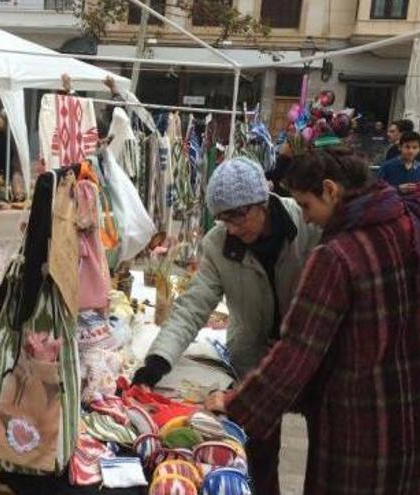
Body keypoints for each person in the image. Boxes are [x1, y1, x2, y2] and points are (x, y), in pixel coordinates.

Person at [208, 148, 420, 494]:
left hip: (364, 432)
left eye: (306, 205)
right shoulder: (414, 219)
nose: (306, 219)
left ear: (330, 190)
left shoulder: (337, 256)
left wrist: (236, 404)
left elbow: (296, 351)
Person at [132, 156, 321, 495]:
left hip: (308, 356)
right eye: (223, 218)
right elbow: (192, 306)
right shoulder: (218, 245)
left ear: (261, 202)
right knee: (260, 452)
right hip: (253, 360)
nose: (232, 227)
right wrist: (157, 361)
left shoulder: (306, 223)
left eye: (238, 215)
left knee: (325, 449)